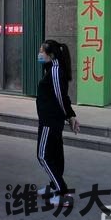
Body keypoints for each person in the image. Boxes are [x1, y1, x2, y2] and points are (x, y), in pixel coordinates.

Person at [36, 39, 81, 207]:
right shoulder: (52, 69)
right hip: (51, 119)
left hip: (50, 121)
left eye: (42, 51)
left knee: (43, 155)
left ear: (51, 55)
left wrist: (70, 116)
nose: (39, 54)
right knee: (55, 155)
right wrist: (70, 115)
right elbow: (61, 95)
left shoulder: (55, 70)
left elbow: (61, 97)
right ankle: (54, 186)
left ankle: (62, 192)